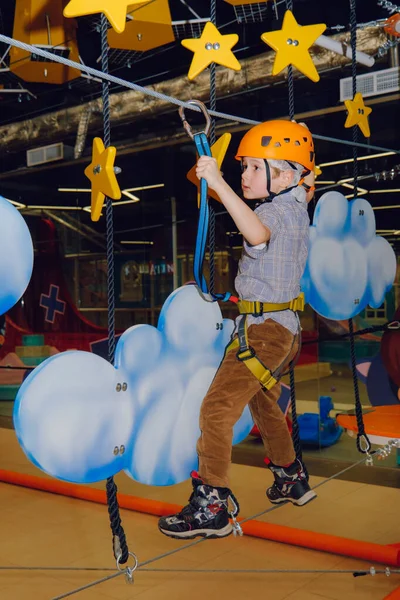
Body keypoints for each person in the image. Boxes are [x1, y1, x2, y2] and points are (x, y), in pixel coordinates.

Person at [159, 120, 317, 540]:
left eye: (251, 168)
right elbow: (285, 194)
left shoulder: (274, 210)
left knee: (215, 409)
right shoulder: (297, 202)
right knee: (263, 403)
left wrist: (219, 183)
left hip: (264, 332)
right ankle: (289, 476)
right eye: (242, 168)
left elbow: (256, 231)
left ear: (283, 176)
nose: (243, 175)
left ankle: (212, 502)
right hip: (278, 328)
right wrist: (212, 179)